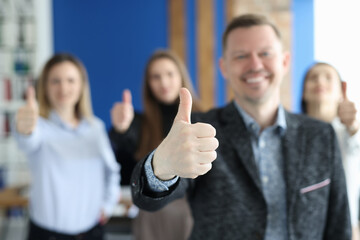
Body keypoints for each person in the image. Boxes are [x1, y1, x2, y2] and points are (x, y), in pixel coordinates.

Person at [131, 14, 351, 240]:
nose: (255, 65)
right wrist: (162, 167)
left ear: (284, 62)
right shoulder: (201, 130)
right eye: (241, 56)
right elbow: (146, 200)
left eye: (265, 53)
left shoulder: (321, 134)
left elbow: (339, 225)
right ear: (224, 67)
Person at [14, 53, 120, 240]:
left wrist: (108, 204)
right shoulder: (38, 127)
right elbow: (27, 141)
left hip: (91, 233)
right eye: (55, 81)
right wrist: (24, 129)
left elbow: (111, 171)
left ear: (81, 86)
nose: (63, 87)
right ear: (45, 87)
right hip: (47, 235)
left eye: (71, 80)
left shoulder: (95, 128)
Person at [109, 50, 200, 240]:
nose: (164, 83)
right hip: (151, 215)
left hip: (192, 215)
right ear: (148, 84)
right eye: (156, 77)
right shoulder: (141, 123)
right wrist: (121, 128)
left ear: (181, 76)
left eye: (169, 74)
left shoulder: (202, 118)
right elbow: (124, 142)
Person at [301, 62, 360, 240]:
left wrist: (354, 126)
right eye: (313, 78)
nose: (320, 81)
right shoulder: (288, 133)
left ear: (341, 93)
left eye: (328, 77)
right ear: (303, 92)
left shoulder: (347, 132)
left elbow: (355, 145)